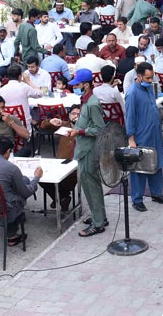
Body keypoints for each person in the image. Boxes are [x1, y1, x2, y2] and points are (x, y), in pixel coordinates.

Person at [65, 69, 108, 236]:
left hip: (89, 149)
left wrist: (80, 132)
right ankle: (99, 216)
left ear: (86, 85)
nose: (76, 86)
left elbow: (99, 129)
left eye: (78, 84)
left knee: (92, 186)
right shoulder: (85, 100)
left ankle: (98, 223)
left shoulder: (93, 103)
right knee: (89, 184)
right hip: (82, 148)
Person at [125, 62, 163, 212]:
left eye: (151, 77)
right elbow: (130, 117)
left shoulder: (149, 88)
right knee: (139, 167)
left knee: (156, 162)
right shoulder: (132, 93)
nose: (150, 80)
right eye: (147, 78)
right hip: (141, 134)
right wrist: (131, 138)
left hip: (154, 133)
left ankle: (156, 193)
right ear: (139, 76)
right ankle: (137, 199)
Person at [37, 105, 79, 212]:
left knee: (65, 180)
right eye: (73, 114)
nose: (76, 116)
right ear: (69, 115)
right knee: (40, 176)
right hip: (59, 163)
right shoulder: (65, 125)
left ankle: (60, 197)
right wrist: (51, 121)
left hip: (75, 166)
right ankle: (62, 198)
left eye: (79, 114)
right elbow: (44, 126)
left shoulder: (84, 130)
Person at [0, 64, 43, 129]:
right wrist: (28, 81)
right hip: (24, 125)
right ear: (19, 76)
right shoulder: (24, 87)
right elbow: (40, 93)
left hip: (7, 125)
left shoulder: (1, 90)